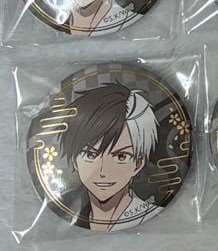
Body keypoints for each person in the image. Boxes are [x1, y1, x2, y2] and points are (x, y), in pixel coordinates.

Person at [59, 83, 162, 230]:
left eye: (121, 156)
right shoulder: (63, 217)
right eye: (90, 154)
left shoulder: (154, 218)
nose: (102, 172)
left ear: (138, 164)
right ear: (75, 160)